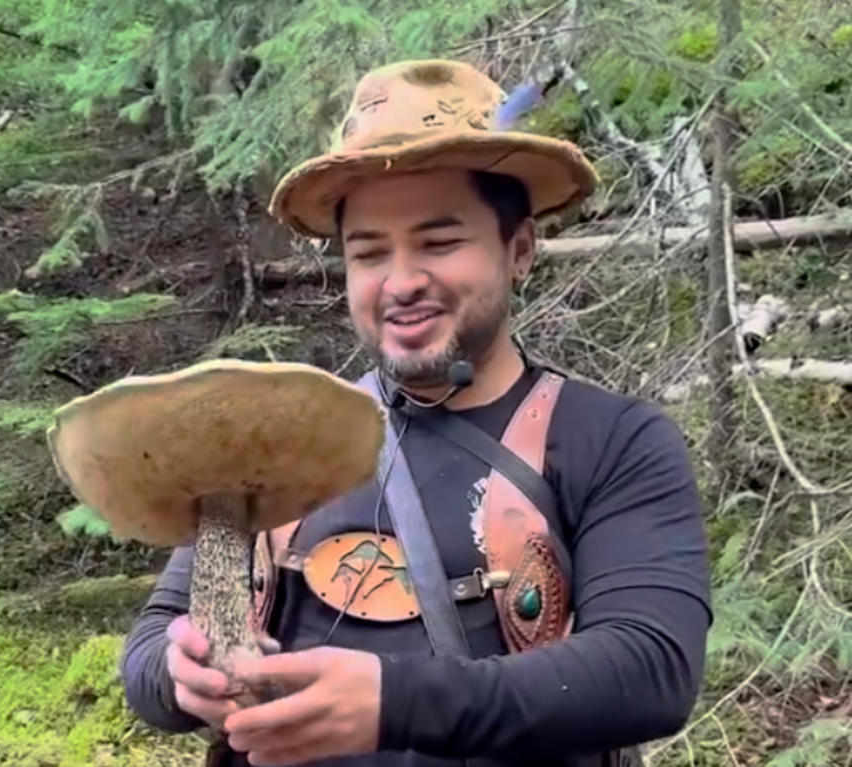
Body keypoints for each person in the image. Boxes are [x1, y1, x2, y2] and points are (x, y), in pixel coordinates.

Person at [118, 59, 712, 767]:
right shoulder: (269, 441)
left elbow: (650, 669)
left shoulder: (611, 441)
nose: (400, 283)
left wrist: (391, 700)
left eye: (439, 242)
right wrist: (181, 675)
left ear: (518, 248)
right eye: (369, 253)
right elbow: (152, 648)